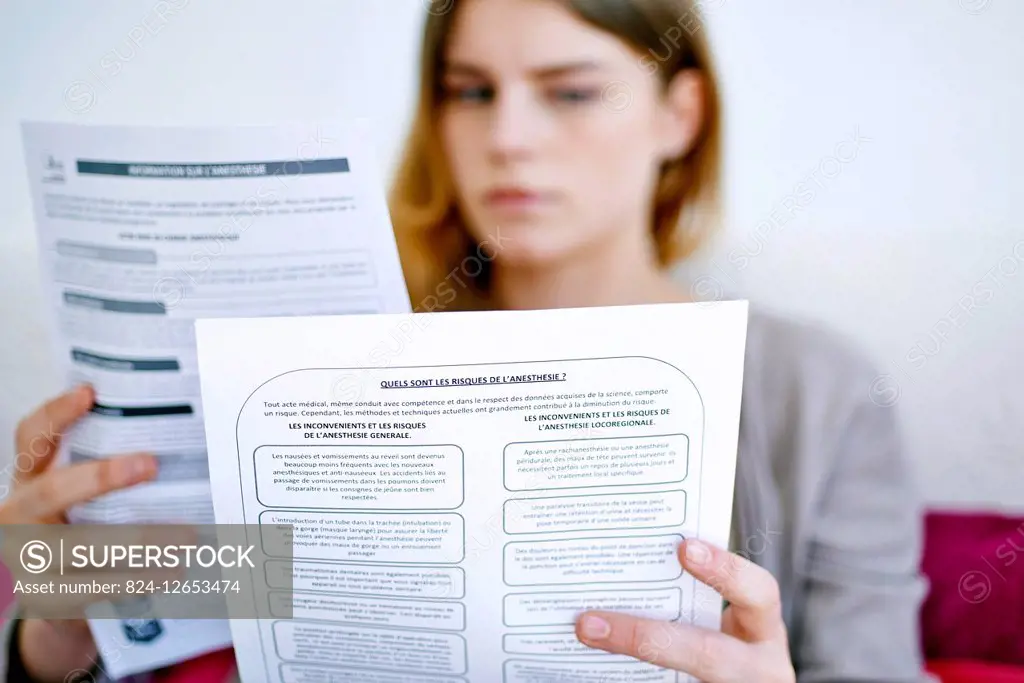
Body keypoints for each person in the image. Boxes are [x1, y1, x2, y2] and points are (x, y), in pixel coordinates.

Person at [1, 0, 931, 680]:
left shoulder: (818, 388)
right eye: (469, 91)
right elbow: (240, 597)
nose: (510, 138)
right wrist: (67, 620)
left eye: (570, 93)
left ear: (678, 118)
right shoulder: (332, 365)